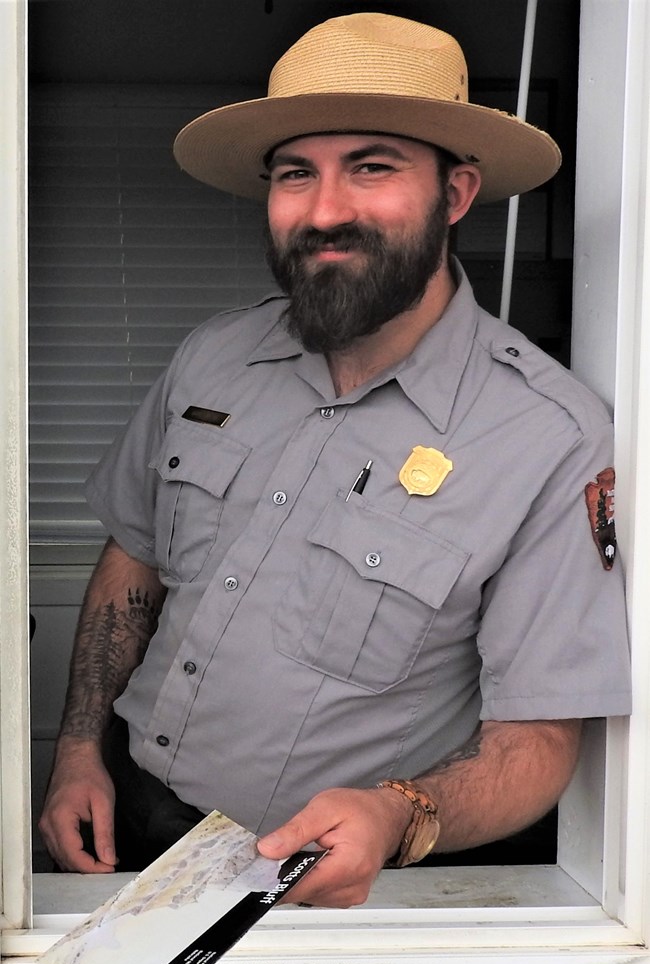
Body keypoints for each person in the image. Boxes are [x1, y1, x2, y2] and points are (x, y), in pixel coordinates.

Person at [39, 13, 631, 906]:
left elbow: (538, 739)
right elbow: (136, 556)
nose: (325, 211)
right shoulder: (213, 357)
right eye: (294, 174)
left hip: (326, 880)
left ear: (457, 193)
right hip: (123, 814)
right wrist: (79, 749)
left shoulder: (549, 436)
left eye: (374, 166)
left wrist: (402, 814)